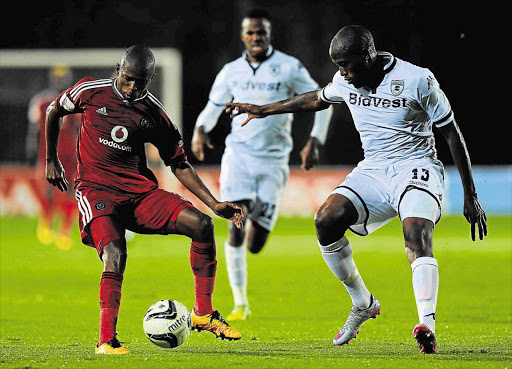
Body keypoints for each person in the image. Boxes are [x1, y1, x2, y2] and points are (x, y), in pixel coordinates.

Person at [225, 25, 487, 354]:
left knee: (416, 235)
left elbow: (451, 132)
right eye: (337, 66)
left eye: (346, 65)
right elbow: (316, 99)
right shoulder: (345, 80)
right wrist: (264, 110)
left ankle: (427, 326)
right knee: (325, 220)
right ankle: (363, 303)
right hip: (374, 169)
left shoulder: (418, 79)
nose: (342, 74)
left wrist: (471, 195)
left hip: (416, 166)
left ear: (368, 56)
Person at [45, 45, 245, 355]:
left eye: (141, 82)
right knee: (115, 251)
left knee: (202, 225)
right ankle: (106, 341)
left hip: (139, 194)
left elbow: (178, 162)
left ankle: (203, 314)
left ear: (149, 79)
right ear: (117, 69)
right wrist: (51, 159)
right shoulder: (90, 91)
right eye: (128, 79)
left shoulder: (153, 113)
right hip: (95, 191)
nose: (133, 88)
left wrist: (215, 203)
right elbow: (53, 111)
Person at [191, 9, 333, 320]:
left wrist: (315, 140)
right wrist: (200, 131)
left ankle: (258, 221)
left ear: (269, 34)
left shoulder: (289, 67)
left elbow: (323, 100)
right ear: (242, 36)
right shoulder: (231, 72)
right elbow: (212, 108)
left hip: (274, 162)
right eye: (251, 33)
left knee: (256, 244)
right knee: (235, 222)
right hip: (238, 157)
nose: (256, 38)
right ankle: (240, 303)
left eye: (261, 32)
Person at [27, 65, 80, 250]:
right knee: (48, 190)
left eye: (62, 77)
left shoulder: (76, 100)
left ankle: (64, 231)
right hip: (48, 153)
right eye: (57, 78)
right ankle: (46, 222)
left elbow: (80, 129)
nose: (59, 81)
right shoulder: (41, 101)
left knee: (71, 191)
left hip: (69, 154)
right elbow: (35, 129)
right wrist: (32, 149)